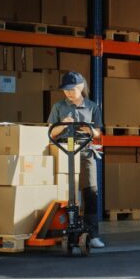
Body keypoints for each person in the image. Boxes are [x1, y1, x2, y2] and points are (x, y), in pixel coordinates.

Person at [47, 71, 105, 249]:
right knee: (66, 192)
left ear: (81, 87)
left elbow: (98, 134)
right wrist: (62, 123)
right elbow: (50, 132)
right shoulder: (58, 107)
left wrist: (89, 131)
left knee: (90, 192)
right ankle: (61, 230)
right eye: (65, 90)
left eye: (72, 89)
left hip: (85, 150)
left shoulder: (92, 107)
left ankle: (92, 235)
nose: (68, 93)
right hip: (64, 150)